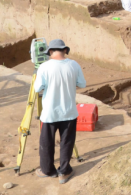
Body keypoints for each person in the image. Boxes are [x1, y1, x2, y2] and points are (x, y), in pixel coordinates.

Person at [34, 39, 86, 184]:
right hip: (69, 112)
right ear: (65, 50)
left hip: (50, 113)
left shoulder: (44, 67)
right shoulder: (74, 65)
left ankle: (47, 170)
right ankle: (64, 172)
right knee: (67, 142)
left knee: (47, 143)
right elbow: (82, 83)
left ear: (50, 51)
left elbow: (37, 88)